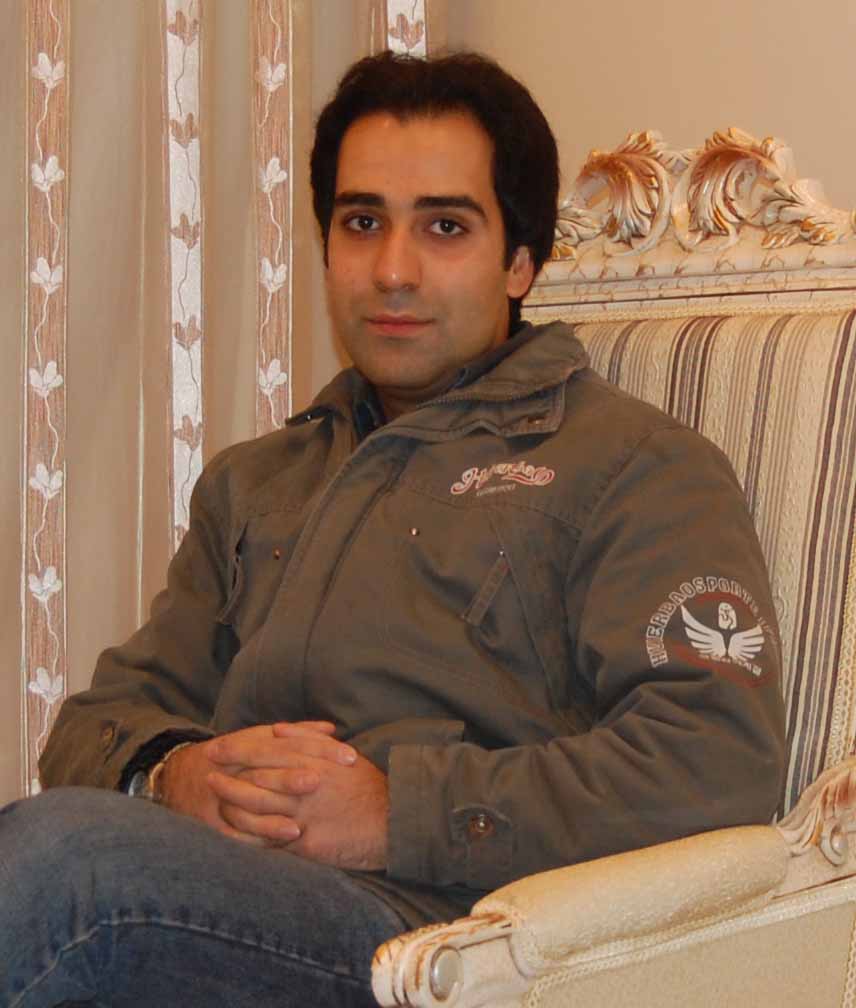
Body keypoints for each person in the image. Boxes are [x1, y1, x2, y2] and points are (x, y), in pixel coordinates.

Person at [1, 50, 785, 1007]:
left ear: (520, 262)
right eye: (362, 222)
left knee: (68, 871)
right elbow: (93, 727)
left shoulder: (635, 466)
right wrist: (176, 777)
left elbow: (715, 763)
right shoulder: (257, 480)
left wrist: (400, 813)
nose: (393, 271)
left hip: (445, 938)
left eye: (445, 227)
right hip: (221, 899)